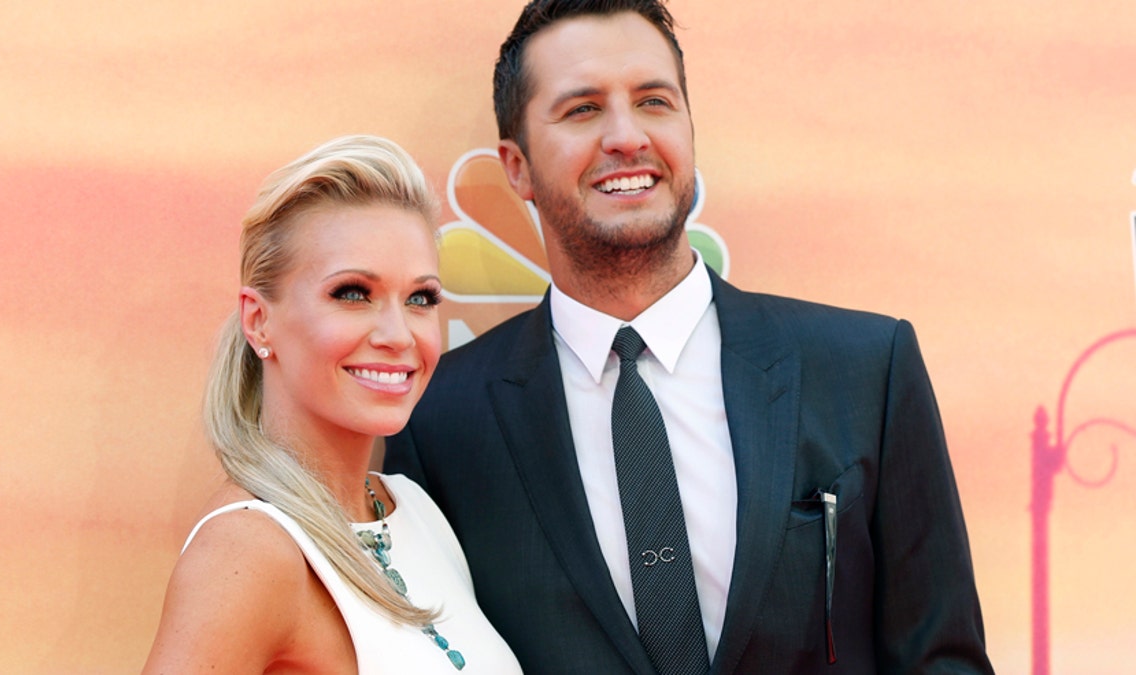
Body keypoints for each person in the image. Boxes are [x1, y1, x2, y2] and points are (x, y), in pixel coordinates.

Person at [384, 2, 993, 673]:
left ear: (689, 128)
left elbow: (943, 659)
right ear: (517, 166)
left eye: (654, 101)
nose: (627, 136)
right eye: (583, 109)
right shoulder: (436, 420)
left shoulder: (864, 370)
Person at [143, 135, 522, 674]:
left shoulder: (414, 509)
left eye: (420, 299)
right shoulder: (249, 551)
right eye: (352, 293)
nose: (398, 334)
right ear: (259, 320)